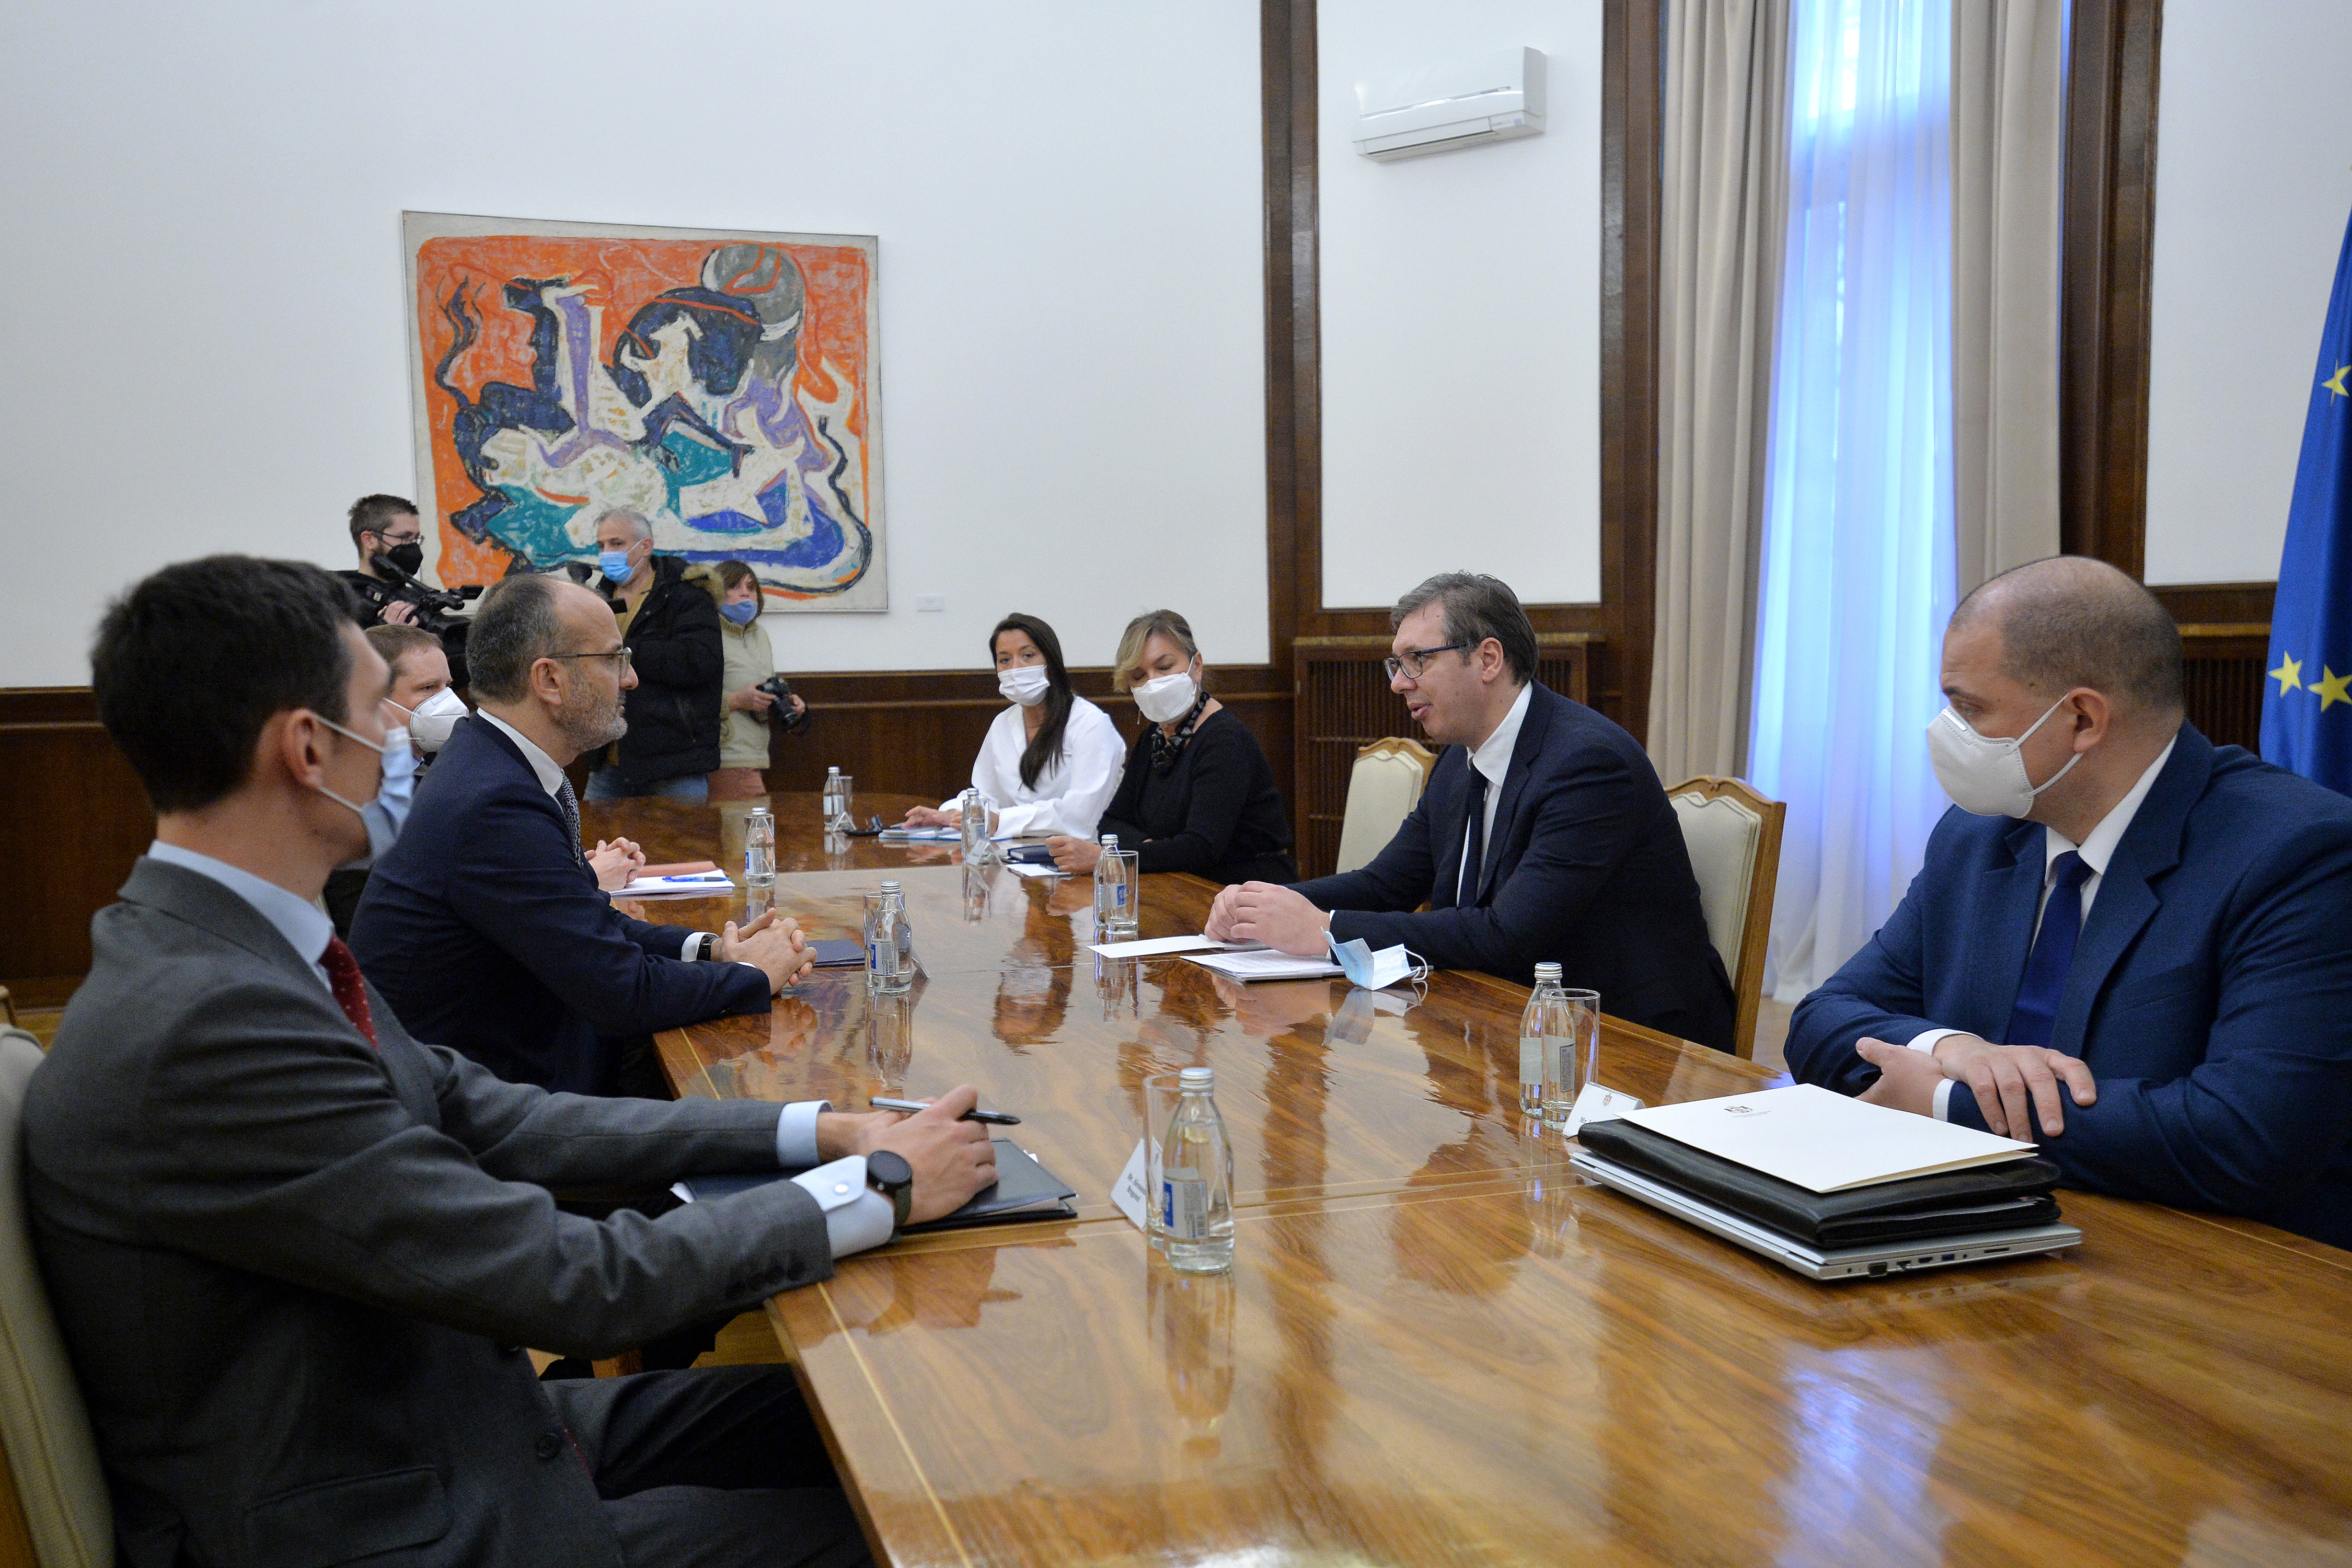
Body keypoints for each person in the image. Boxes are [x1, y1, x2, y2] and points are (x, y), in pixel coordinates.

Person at [27, 552, 996, 1567]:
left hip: (443, 1427)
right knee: (927, 1528)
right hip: (386, 1517)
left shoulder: (243, 948)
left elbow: (496, 1112)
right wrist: (878, 1188)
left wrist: (818, 1131)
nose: (409, 736)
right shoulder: (206, 1024)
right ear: (308, 749)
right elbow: (570, 1278)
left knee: (898, 1432)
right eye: (385, 708)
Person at [1784, 556, 2352, 1249]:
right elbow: (1823, 1020)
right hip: (1991, 1235)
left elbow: (2247, 1134)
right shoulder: (1979, 834)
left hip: (2216, 1270)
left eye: (1970, 708)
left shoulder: (2298, 853)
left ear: (2082, 719)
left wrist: (1943, 1101)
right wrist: (1951, 1049)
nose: (1946, 733)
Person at [1206, 573, 1735, 1050]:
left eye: (1418, 660)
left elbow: (1509, 935)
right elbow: (1385, 883)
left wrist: (1326, 928)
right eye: (1397, 663)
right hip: (1513, 1019)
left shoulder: (1588, 764)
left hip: (1627, 1038)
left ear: (1487, 659)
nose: (1398, 682)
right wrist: (1264, 904)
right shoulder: (1460, 762)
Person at [351, 572, 811, 1097]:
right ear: (549, 680)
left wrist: (709, 950)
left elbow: (583, 921)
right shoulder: (493, 800)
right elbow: (619, 991)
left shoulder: (492, 764)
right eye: (614, 659)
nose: (632, 679)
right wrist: (755, 975)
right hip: (484, 1110)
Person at [1046, 610, 1296, 884]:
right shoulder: (1153, 737)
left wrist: (1112, 857)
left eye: (1164, 667)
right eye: (1139, 675)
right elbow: (1112, 823)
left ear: (1197, 665)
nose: (1153, 683)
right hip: (1177, 880)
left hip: (1247, 889)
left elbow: (1202, 848)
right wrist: (1151, 848)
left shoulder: (1225, 741)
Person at [901, 613, 1126, 839]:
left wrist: (1001, 822)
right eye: (1005, 660)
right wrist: (950, 815)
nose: (1016, 668)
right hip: (1016, 855)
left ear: (1051, 662)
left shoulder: (1090, 724)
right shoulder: (1003, 724)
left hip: (1083, 859)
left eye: (1028, 656)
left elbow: (1080, 815)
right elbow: (986, 796)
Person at [324, 623, 464, 935]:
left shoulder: (434, 771)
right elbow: (363, 921)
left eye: (448, 686)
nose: (449, 703)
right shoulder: (354, 798)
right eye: (428, 689)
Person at [584, 509, 724, 803]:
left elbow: (699, 661)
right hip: (609, 759)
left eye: (617, 543)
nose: (607, 553)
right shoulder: (596, 600)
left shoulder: (685, 595)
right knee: (599, 847)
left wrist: (623, 651)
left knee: (679, 848)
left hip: (673, 763)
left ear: (645, 546)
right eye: (601, 546)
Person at [336, 493, 473, 687]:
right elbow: (339, 675)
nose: (412, 547)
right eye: (404, 537)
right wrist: (383, 635)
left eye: (416, 538)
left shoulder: (416, 599)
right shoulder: (338, 599)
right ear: (369, 540)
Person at [712, 560, 805, 802]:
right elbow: (689, 702)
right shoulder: (706, 634)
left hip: (757, 755)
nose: (745, 593)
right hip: (725, 758)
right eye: (734, 586)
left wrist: (785, 702)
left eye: (751, 587)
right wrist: (736, 701)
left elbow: (761, 687)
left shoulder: (759, 635)